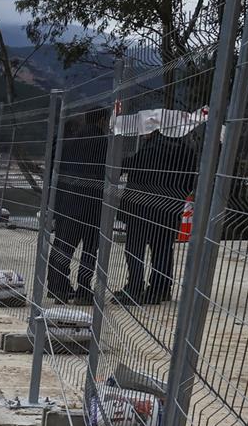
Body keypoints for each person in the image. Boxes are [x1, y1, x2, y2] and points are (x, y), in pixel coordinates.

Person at [117, 122, 198, 304]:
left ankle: (135, 288)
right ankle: (159, 290)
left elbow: (134, 167)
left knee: (134, 248)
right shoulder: (186, 151)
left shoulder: (150, 149)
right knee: (162, 249)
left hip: (141, 207)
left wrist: (117, 162)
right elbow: (190, 180)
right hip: (168, 209)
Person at [47, 110, 109, 304]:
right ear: (102, 120)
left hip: (67, 203)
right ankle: (83, 289)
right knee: (90, 250)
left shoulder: (70, 141)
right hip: (92, 204)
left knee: (64, 246)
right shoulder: (102, 141)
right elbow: (109, 170)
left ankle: (59, 289)